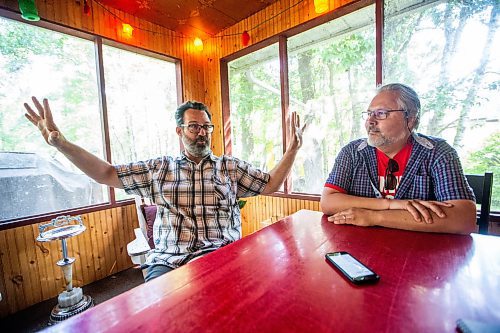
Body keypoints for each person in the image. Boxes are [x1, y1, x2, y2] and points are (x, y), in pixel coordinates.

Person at [24, 97, 306, 281]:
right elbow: (106, 173)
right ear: (179, 131)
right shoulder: (159, 168)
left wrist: (293, 149)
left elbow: (269, 184)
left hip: (220, 258)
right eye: (194, 126)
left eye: (207, 127)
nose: (202, 132)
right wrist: (62, 145)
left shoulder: (230, 168)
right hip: (169, 262)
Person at [320, 83, 477, 234]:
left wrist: (373, 216)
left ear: (410, 119)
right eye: (369, 113)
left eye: (381, 113)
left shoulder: (438, 152)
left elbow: (464, 218)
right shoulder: (352, 152)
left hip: (419, 253)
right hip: (360, 248)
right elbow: (328, 202)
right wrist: (390, 204)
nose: (371, 121)